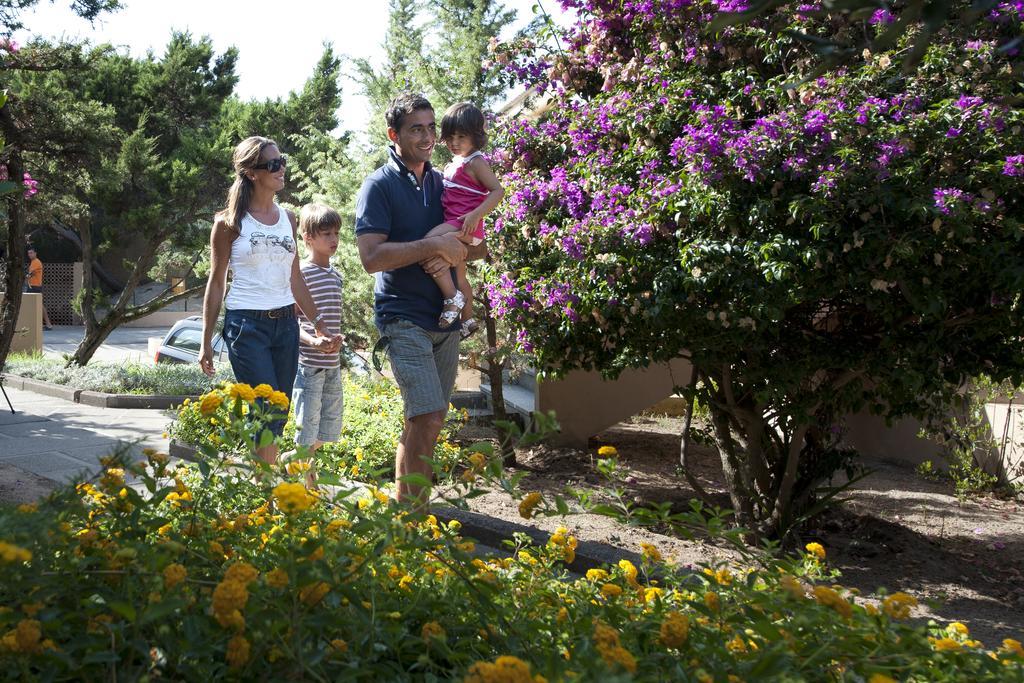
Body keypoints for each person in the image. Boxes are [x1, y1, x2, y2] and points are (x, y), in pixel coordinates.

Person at [355, 92, 485, 503]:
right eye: (417, 129)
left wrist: (460, 248)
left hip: (444, 319)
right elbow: (371, 258)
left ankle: (403, 509)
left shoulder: (445, 181)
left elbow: (476, 244)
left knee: (426, 418)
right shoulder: (379, 185)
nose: (428, 136)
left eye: (431, 128)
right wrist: (433, 248)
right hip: (402, 316)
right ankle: (416, 517)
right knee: (427, 415)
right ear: (394, 134)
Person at [198, 136, 336, 469]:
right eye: (273, 164)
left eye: (282, 160)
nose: (281, 168)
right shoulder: (228, 224)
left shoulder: (288, 218)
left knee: (279, 411)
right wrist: (205, 341)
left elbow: (295, 279)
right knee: (266, 410)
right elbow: (216, 283)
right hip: (247, 326)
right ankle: (265, 491)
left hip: (286, 326)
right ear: (251, 173)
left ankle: (258, 481)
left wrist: (318, 322)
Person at [420, 102, 504, 338]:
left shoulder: (476, 162)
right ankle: (468, 320)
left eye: (461, 136)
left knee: (427, 242)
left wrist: (476, 214)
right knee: (460, 274)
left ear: (476, 136)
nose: (454, 143)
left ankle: (452, 297)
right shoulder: (457, 161)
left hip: (464, 224)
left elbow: (498, 191)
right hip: (458, 222)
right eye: (450, 137)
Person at [288, 203, 345, 485]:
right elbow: (293, 323)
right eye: (326, 234)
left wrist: (336, 340)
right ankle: (310, 489)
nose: (333, 240)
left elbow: (333, 320)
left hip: (332, 365)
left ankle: (289, 459)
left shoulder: (336, 276)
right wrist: (314, 340)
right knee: (307, 432)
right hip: (309, 366)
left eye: (336, 233)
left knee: (329, 431)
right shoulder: (302, 275)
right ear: (308, 237)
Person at [25, 248, 53, 330]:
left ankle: (48, 324)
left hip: (35, 287)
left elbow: (31, 274)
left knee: (39, 305)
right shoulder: (33, 262)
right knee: (37, 305)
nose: (29, 255)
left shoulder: (36, 262)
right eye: (28, 253)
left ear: (35, 253)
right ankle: (45, 324)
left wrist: (23, 277)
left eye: (31, 253)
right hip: (33, 286)